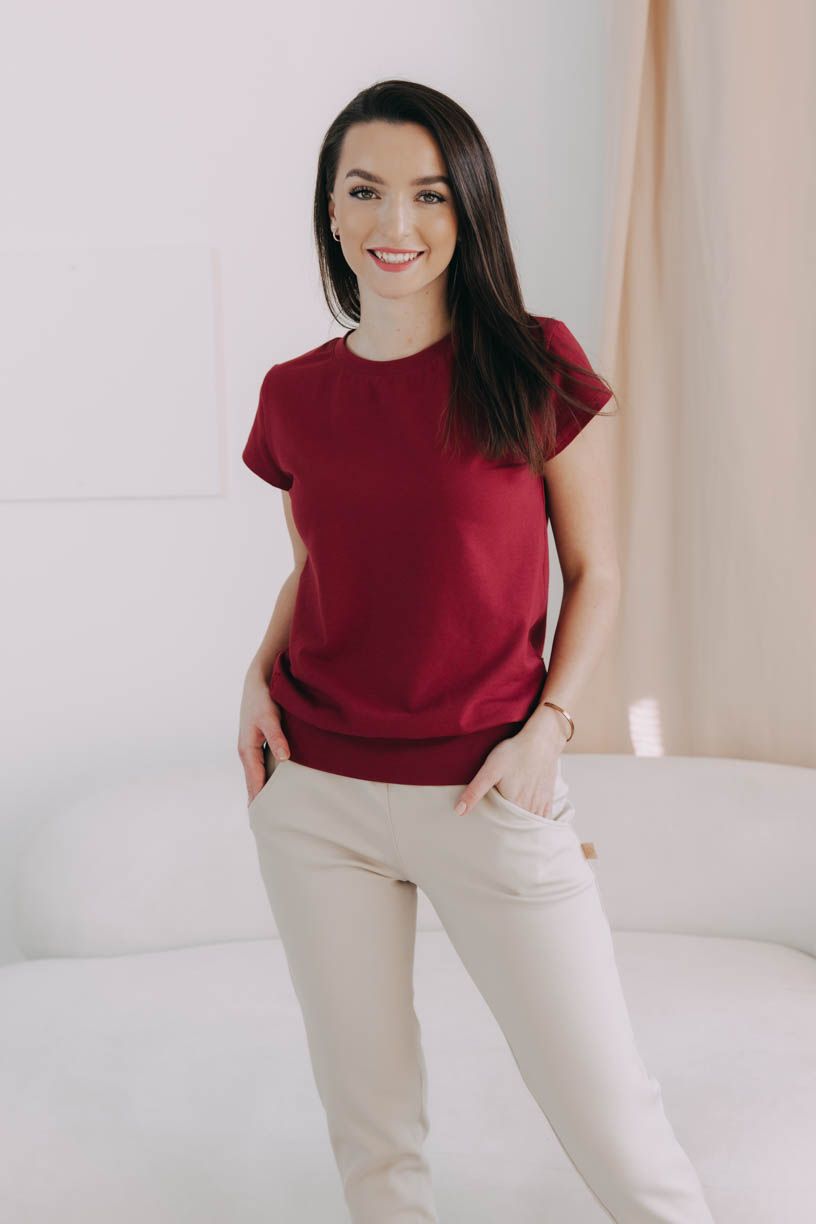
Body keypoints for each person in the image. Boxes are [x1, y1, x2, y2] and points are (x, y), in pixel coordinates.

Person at [238, 79, 716, 1224]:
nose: (395, 223)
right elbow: (316, 567)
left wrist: (548, 733)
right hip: (316, 796)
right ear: (331, 210)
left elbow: (599, 573)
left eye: (429, 194)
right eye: (366, 191)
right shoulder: (295, 394)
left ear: (468, 210)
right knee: (374, 1135)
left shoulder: (532, 363)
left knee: (615, 1125)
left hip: (487, 789)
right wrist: (255, 677)